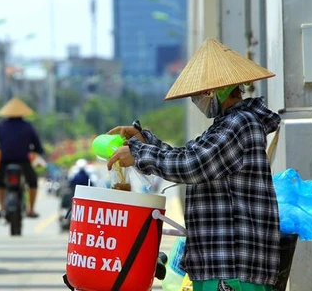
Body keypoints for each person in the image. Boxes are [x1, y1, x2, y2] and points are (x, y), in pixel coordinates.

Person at [106, 38, 281, 291]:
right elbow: (188, 155)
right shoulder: (225, 125)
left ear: (219, 91)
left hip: (231, 267)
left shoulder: (239, 124)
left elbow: (193, 165)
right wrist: (145, 140)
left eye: (200, 94)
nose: (196, 100)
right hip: (219, 265)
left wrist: (139, 152)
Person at [0, 97, 45, 218]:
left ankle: (1, 208)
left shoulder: (1, 125)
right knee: (33, 182)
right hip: (23, 161)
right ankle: (31, 210)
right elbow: (37, 145)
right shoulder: (28, 126)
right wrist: (37, 150)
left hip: (5, 161)